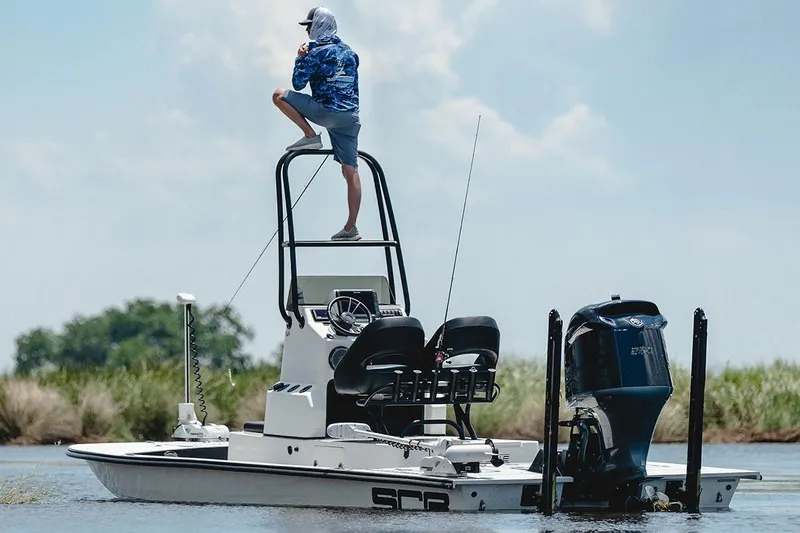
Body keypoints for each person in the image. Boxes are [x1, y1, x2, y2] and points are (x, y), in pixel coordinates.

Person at [272, 7, 362, 241]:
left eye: (309, 26)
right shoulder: (350, 52)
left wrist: (300, 58)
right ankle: (351, 227)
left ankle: (310, 136)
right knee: (350, 170)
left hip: (327, 112)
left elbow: (298, 83)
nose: (308, 31)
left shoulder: (316, 52)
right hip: (351, 118)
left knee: (279, 95)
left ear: (319, 25)